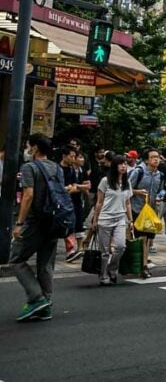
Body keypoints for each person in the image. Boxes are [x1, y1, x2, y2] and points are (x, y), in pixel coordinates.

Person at [11, 134, 61, 322]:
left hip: (34, 222)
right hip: (54, 221)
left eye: (28, 145)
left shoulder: (29, 167)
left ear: (35, 148)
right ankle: (46, 305)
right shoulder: (57, 168)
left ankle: (37, 298)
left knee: (16, 259)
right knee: (46, 264)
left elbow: (28, 195)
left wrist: (19, 223)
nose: (27, 148)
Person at [92, 154, 134, 286]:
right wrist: (95, 219)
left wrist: (130, 220)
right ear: (114, 166)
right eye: (120, 164)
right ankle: (103, 275)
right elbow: (99, 202)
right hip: (105, 218)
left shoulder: (127, 183)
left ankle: (112, 269)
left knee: (121, 246)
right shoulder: (105, 181)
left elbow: (127, 203)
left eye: (125, 164)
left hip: (120, 218)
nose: (123, 166)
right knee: (104, 251)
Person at [129, 148, 164, 278]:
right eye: (153, 157)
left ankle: (143, 262)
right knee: (142, 238)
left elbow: (161, 190)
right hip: (137, 209)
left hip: (151, 211)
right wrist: (138, 192)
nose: (156, 159)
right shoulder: (138, 172)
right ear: (146, 160)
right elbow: (127, 189)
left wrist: (161, 195)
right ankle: (143, 266)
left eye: (158, 157)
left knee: (149, 239)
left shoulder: (159, 174)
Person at [60, 145, 89, 261]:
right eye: (71, 156)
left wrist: (75, 187)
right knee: (66, 225)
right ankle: (70, 250)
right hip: (62, 201)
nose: (73, 159)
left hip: (74, 200)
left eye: (74, 156)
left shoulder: (73, 169)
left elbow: (75, 185)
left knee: (76, 223)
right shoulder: (58, 169)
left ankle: (76, 249)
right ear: (64, 156)